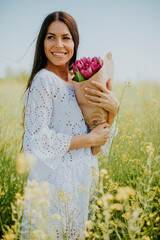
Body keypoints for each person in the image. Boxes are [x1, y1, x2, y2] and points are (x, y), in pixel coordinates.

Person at [22, 11, 119, 240]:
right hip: (54, 186)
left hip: (81, 183)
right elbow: (37, 140)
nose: (59, 45)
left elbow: (98, 144)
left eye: (66, 37)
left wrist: (112, 112)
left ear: (74, 42)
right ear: (42, 42)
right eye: (50, 37)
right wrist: (88, 140)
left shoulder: (80, 81)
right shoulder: (43, 80)